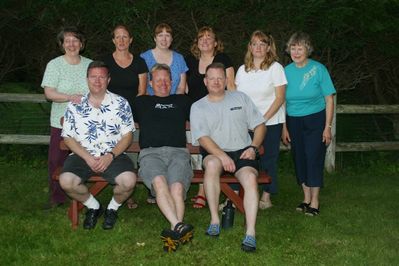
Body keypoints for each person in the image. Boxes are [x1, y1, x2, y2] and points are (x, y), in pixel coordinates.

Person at [190, 62, 266, 252]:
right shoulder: (198, 106)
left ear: (226, 80)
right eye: (212, 78)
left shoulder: (241, 98)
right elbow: (203, 138)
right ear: (205, 81)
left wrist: (253, 147)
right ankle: (215, 220)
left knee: (249, 178)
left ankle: (250, 232)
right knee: (213, 166)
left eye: (220, 78)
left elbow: (260, 125)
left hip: (242, 151)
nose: (216, 82)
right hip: (215, 152)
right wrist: (222, 156)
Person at [59, 61, 137, 230]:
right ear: (87, 79)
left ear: (108, 80)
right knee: (66, 181)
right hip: (82, 155)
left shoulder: (120, 103)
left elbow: (127, 136)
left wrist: (110, 156)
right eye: (93, 77)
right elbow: (68, 137)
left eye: (102, 76)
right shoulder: (75, 105)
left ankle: (112, 208)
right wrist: (87, 157)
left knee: (129, 181)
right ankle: (94, 206)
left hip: (113, 155)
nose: (97, 80)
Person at [133, 64, 193, 252]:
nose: (163, 83)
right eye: (158, 80)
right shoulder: (141, 102)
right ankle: (178, 226)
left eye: (167, 79)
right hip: (151, 153)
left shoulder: (183, 101)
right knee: (159, 184)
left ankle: (175, 231)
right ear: (150, 82)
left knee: (177, 188)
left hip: (179, 152)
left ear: (172, 81)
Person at [282, 32, 336, 216]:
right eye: (293, 48)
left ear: (308, 50)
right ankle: (305, 198)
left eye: (300, 48)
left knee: (313, 157)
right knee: (300, 158)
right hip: (293, 120)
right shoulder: (285, 71)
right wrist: (284, 127)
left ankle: (315, 201)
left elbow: (329, 99)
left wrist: (327, 127)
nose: (296, 52)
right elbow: (282, 101)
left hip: (316, 119)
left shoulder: (319, 69)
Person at [41, 26, 92, 209]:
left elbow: (98, 89)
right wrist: (70, 97)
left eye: (75, 40)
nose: (72, 44)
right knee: (57, 160)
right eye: (67, 41)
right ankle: (57, 197)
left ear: (81, 43)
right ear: (62, 45)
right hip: (60, 122)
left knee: (84, 158)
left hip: (87, 122)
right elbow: (49, 93)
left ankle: (81, 192)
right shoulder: (54, 65)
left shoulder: (90, 64)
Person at [185, 26, 236, 209]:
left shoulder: (223, 59)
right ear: (197, 43)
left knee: (212, 151)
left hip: (218, 114)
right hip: (195, 114)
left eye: (209, 37)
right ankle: (204, 187)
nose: (205, 40)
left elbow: (230, 85)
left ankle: (202, 192)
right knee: (196, 153)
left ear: (216, 43)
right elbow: (185, 88)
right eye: (201, 38)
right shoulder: (190, 61)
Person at [236, 30, 287, 209]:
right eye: (254, 43)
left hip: (270, 122)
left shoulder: (275, 68)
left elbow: (280, 98)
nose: (258, 47)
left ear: (268, 47)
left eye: (262, 44)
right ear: (249, 47)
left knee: (268, 159)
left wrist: (261, 120)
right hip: (246, 124)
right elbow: (238, 98)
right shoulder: (243, 70)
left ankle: (266, 197)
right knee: (243, 159)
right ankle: (236, 196)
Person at [102, 24, 148, 209]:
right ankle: (122, 190)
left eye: (125, 37)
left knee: (132, 151)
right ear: (113, 40)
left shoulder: (139, 62)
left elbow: (142, 91)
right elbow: (101, 88)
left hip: (133, 115)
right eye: (118, 37)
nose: (121, 40)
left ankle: (128, 191)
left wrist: (127, 114)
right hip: (109, 116)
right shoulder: (105, 62)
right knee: (113, 151)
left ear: (130, 40)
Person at [141, 23, 187, 95]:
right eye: (160, 35)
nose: (164, 39)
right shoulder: (144, 58)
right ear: (155, 38)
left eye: (167, 36)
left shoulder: (179, 59)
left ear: (171, 39)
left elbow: (181, 88)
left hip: (174, 102)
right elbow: (142, 88)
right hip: (150, 102)